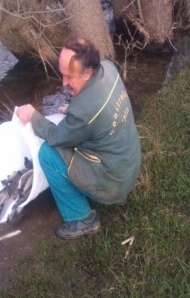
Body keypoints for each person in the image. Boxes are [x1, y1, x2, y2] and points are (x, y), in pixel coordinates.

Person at [16, 35, 141, 240]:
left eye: (69, 77)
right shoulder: (108, 68)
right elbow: (93, 105)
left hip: (113, 184)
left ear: (87, 73)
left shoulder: (84, 113)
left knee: (47, 154)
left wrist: (33, 116)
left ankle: (83, 220)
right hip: (129, 166)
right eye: (62, 75)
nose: (63, 83)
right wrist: (74, 107)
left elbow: (55, 136)